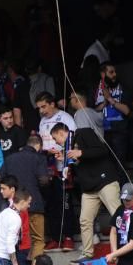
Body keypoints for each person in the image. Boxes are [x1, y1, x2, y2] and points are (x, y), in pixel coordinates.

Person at [49, 122, 122, 262]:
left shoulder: (83, 132)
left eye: (54, 138)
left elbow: (102, 150)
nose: (56, 142)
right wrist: (67, 161)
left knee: (118, 217)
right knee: (84, 220)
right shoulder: (68, 149)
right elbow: (80, 166)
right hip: (89, 188)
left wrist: (80, 152)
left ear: (60, 133)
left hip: (105, 181)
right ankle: (87, 253)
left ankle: (122, 251)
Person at [36, 92, 77, 251]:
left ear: (52, 104)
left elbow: (72, 139)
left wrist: (65, 155)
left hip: (63, 167)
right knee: (51, 204)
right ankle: (54, 237)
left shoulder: (65, 117)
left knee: (65, 204)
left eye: (43, 106)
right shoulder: (42, 121)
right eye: (39, 107)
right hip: (48, 168)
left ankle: (68, 237)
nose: (41, 110)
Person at [1, 135, 50, 258]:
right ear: (38, 145)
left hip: (15, 206)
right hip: (34, 204)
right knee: (38, 239)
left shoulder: (9, 158)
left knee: (15, 239)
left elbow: (0, 179)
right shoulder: (39, 158)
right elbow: (44, 181)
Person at [94, 62, 131, 162]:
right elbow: (93, 109)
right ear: (103, 74)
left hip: (119, 130)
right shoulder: (96, 88)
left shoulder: (123, 87)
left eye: (115, 72)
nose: (115, 74)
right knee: (106, 164)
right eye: (111, 72)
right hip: (101, 131)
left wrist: (110, 99)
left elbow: (127, 111)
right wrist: (105, 102)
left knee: (119, 164)